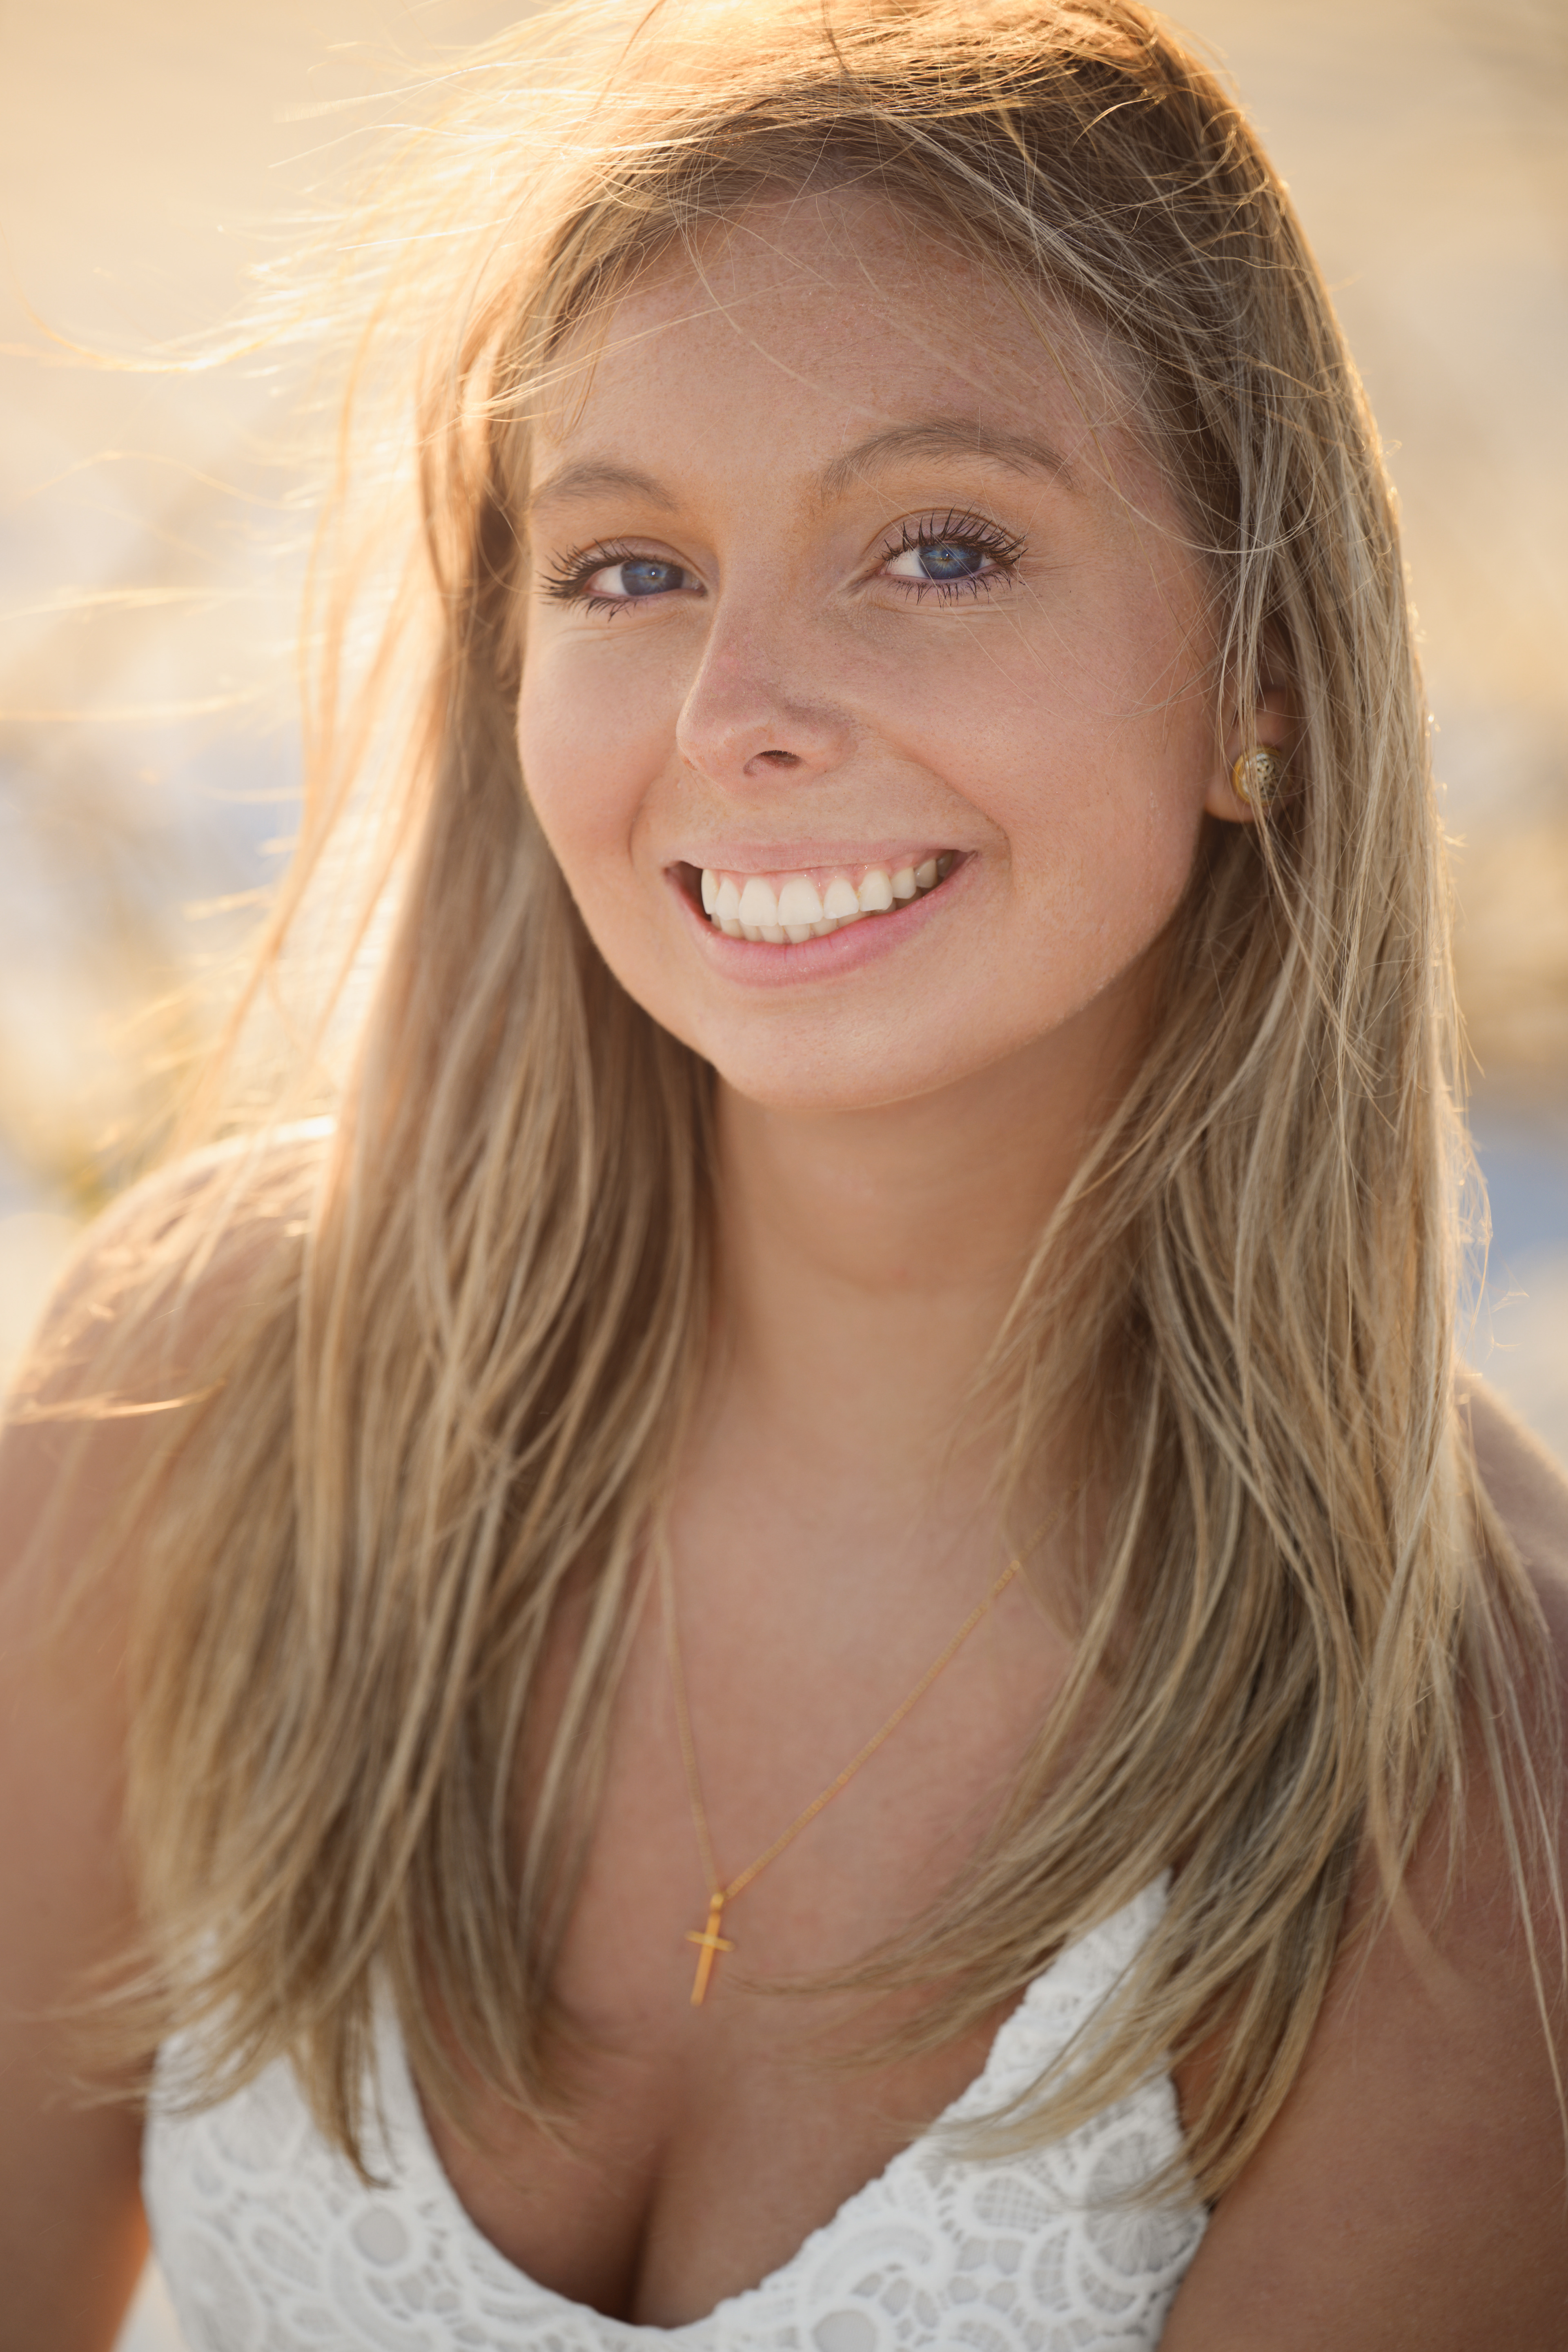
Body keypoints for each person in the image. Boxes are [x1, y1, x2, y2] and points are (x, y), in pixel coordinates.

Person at [3, 0, 1566, 2344]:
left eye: (936, 548)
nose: (741, 706)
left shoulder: (1460, 1767)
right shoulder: (199, 1399)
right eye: (627, 570)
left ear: (1266, 681)